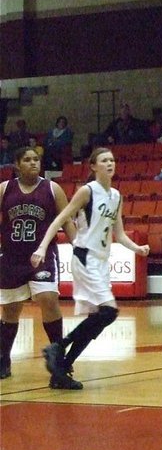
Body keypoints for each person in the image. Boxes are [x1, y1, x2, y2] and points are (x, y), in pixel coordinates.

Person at [32, 147, 150, 389]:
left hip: (101, 261)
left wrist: (136, 248)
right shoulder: (87, 192)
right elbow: (60, 219)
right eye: (104, 160)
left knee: (98, 318)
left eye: (112, 160)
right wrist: (42, 247)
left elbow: (118, 233)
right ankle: (59, 347)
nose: (110, 164)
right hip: (85, 257)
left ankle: (61, 371)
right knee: (109, 312)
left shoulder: (116, 196)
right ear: (94, 166)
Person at [0, 146, 76, 382]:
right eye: (28, 159)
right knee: (11, 309)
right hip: (12, 257)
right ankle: (4, 359)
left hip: (42, 256)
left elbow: (67, 222)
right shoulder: (4, 189)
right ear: (16, 165)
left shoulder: (52, 189)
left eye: (36, 159)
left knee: (48, 299)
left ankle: (58, 360)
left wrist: (79, 249)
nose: (34, 163)